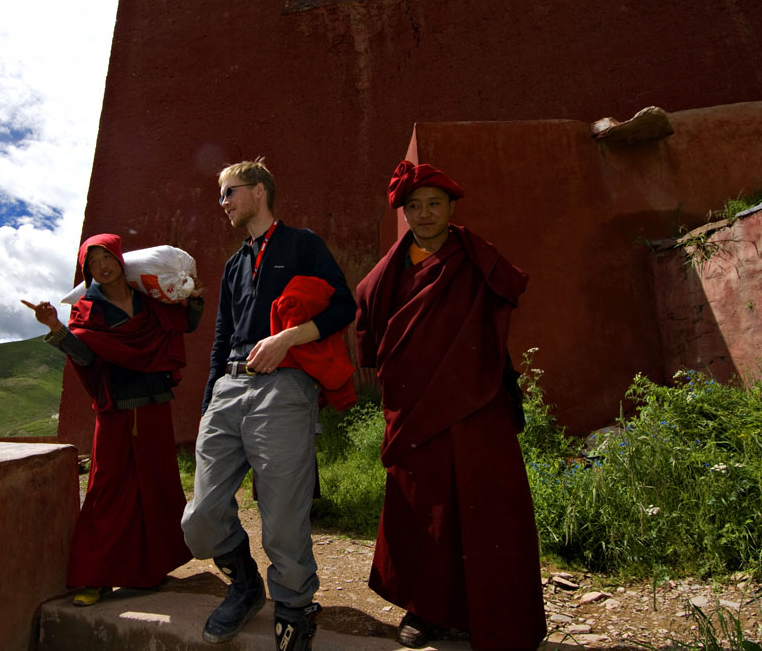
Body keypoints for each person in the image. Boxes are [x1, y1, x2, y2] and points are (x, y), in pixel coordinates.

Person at [355, 161, 546, 650]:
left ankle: (499, 615)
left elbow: (497, 315)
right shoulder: (387, 274)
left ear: (451, 207)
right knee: (425, 508)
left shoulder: (477, 257)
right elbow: (374, 333)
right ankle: (425, 610)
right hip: (416, 408)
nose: (424, 214)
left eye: (433, 204)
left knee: (489, 508)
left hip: (477, 398)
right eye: (413, 207)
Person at [181, 158, 356, 650]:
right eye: (221, 196)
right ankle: (245, 584)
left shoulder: (303, 244)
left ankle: (295, 607)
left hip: (285, 387)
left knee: (282, 515)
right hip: (228, 391)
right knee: (199, 519)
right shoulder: (235, 263)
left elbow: (344, 304)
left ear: (258, 191)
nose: (223, 203)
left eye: (229, 192)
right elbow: (220, 338)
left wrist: (288, 338)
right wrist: (209, 400)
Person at [22, 232, 204, 607]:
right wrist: (56, 327)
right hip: (116, 410)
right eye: (91, 263)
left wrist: (195, 299)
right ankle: (96, 576)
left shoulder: (150, 301)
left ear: (120, 259)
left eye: (106, 258)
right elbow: (87, 357)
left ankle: (152, 569)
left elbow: (182, 323)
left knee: (156, 485)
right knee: (107, 490)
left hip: (154, 405)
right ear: (86, 270)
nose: (101, 267)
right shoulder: (86, 310)